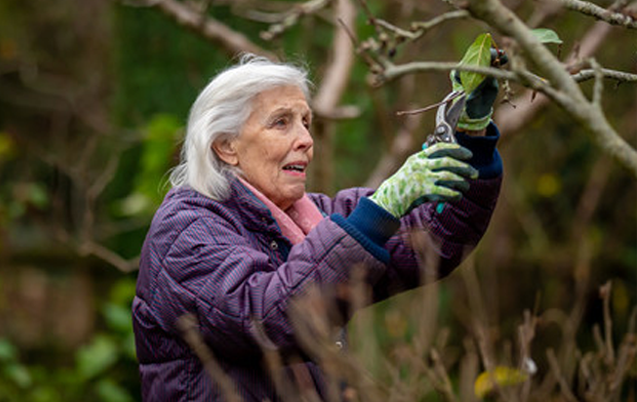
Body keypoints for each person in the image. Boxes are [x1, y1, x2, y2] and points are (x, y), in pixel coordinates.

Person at [131, 54, 503, 401]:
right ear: (226, 146)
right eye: (281, 122)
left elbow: (430, 242)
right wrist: (383, 207)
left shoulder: (310, 217)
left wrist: (471, 132)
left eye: (306, 122)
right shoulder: (185, 230)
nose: (307, 140)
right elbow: (267, 319)